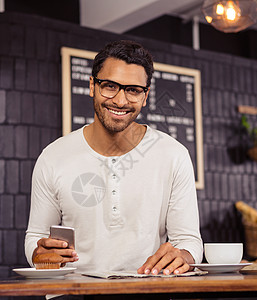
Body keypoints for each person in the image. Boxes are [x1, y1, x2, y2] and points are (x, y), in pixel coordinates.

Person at [25, 40, 203, 276]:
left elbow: (189, 241)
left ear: (145, 95)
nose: (120, 101)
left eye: (133, 90)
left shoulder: (174, 155)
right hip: (73, 292)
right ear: (92, 86)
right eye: (109, 86)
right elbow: (35, 238)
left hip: (147, 291)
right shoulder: (53, 157)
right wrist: (38, 253)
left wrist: (183, 255)